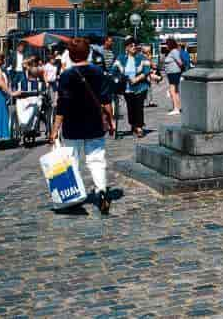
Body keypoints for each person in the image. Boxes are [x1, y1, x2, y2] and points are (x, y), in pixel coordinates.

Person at [49, 38, 114, 215]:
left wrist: (55, 129)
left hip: (72, 124)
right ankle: (101, 192)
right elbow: (106, 100)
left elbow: (61, 106)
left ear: (70, 55)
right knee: (97, 159)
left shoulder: (66, 75)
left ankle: (74, 197)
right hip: (94, 122)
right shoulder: (98, 72)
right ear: (89, 53)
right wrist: (111, 120)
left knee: (73, 161)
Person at [115, 41, 150, 137]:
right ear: (126, 48)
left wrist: (137, 79)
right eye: (131, 46)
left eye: (135, 45)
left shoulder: (142, 57)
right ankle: (133, 125)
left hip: (141, 86)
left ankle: (139, 127)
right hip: (127, 88)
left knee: (139, 107)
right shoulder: (121, 58)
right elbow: (114, 69)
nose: (134, 47)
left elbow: (147, 70)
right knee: (130, 107)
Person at [163, 38, 185, 115]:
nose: (166, 46)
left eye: (166, 44)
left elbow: (180, 62)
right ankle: (177, 107)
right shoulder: (172, 52)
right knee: (175, 91)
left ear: (170, 44)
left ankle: (176, 108)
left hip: (174, 73)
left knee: (173, 91)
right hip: (172, 73)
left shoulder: (174, 52)